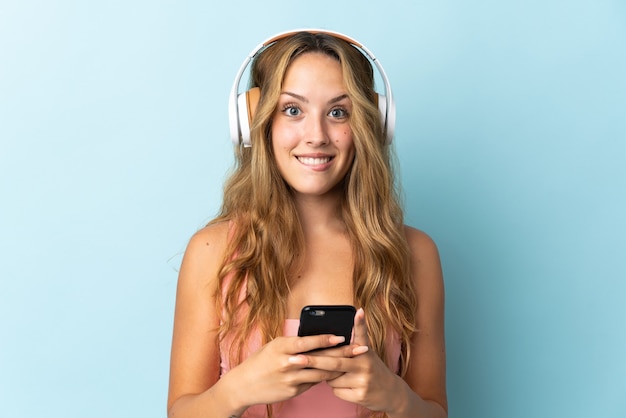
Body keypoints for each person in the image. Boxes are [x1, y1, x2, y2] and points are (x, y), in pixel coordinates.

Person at [167, 29, 447, 418]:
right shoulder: (213, 252)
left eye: (338, 112)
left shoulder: (415, 254)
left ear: (373, 125)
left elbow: (434, 410)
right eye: (293, 110)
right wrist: (239, 389)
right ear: (254, 122)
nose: (316, 136)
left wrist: (394, 396)